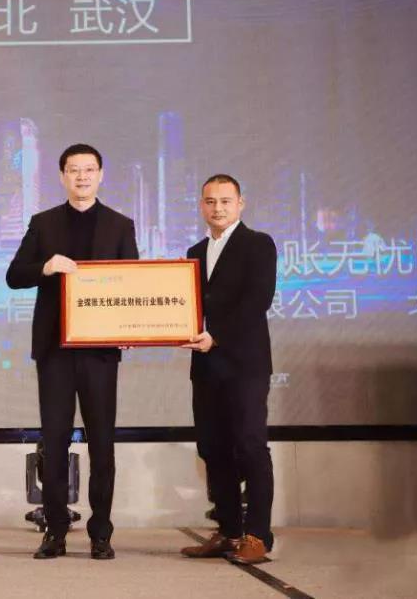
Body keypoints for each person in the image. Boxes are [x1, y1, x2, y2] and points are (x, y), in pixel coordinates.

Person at [6, 143, 138, 560]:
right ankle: (55, 531)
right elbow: (14, 275)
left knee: (102, 444)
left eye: (89, 169)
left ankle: (101, 533)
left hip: (100, 350)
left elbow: (132, 283)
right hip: (55, 350)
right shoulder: (43, 223)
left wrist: (131, 327)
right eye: (73, 170)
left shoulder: (120, 225)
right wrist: (46, 267)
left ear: (101, 175)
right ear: (62, 176)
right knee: (55, 441)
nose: (82, 176)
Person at [179, 174, 277, 565]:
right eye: (210, 201)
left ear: (240, 204)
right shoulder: (195, 251)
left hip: (245, 364)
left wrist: (216, 335)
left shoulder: (258, 244)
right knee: (213, 448)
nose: (217, 208)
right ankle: (229, 531)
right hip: (206, 365)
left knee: (250, 445)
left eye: (225, 201)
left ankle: (258, 536)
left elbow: (258, 300)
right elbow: (183, 306)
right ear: (201, 205)